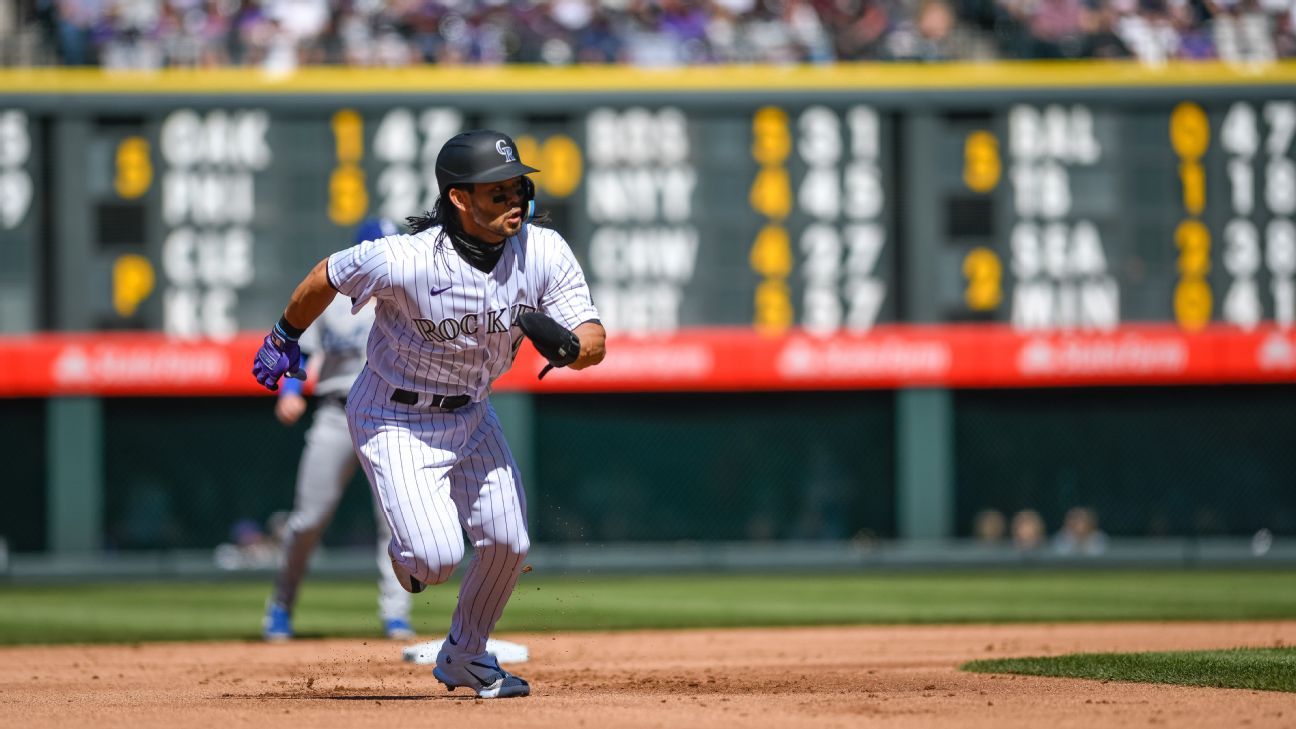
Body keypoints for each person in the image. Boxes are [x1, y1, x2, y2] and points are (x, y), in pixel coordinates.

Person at [251, 129, 606, 699]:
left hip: (472, 413)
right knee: (435, 560)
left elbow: (593, 341)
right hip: (394, 415)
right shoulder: (405, 258)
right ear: (459, 199)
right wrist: (285, 333)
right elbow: (326, 275)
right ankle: (413, 559)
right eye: (498, 191)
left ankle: (465, 657)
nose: (515, 198)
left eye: (518, 186)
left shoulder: (543, 250)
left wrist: (566, 347)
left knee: (509, 543)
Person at [261, 216, 417, 643]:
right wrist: (290, 390)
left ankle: (395, 615)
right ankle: (280, 606)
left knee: (395, 522)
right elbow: (300, 352)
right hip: (335, 412)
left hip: (391, 417)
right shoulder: (332, 301)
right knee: (308, 519)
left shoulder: (406, 298)